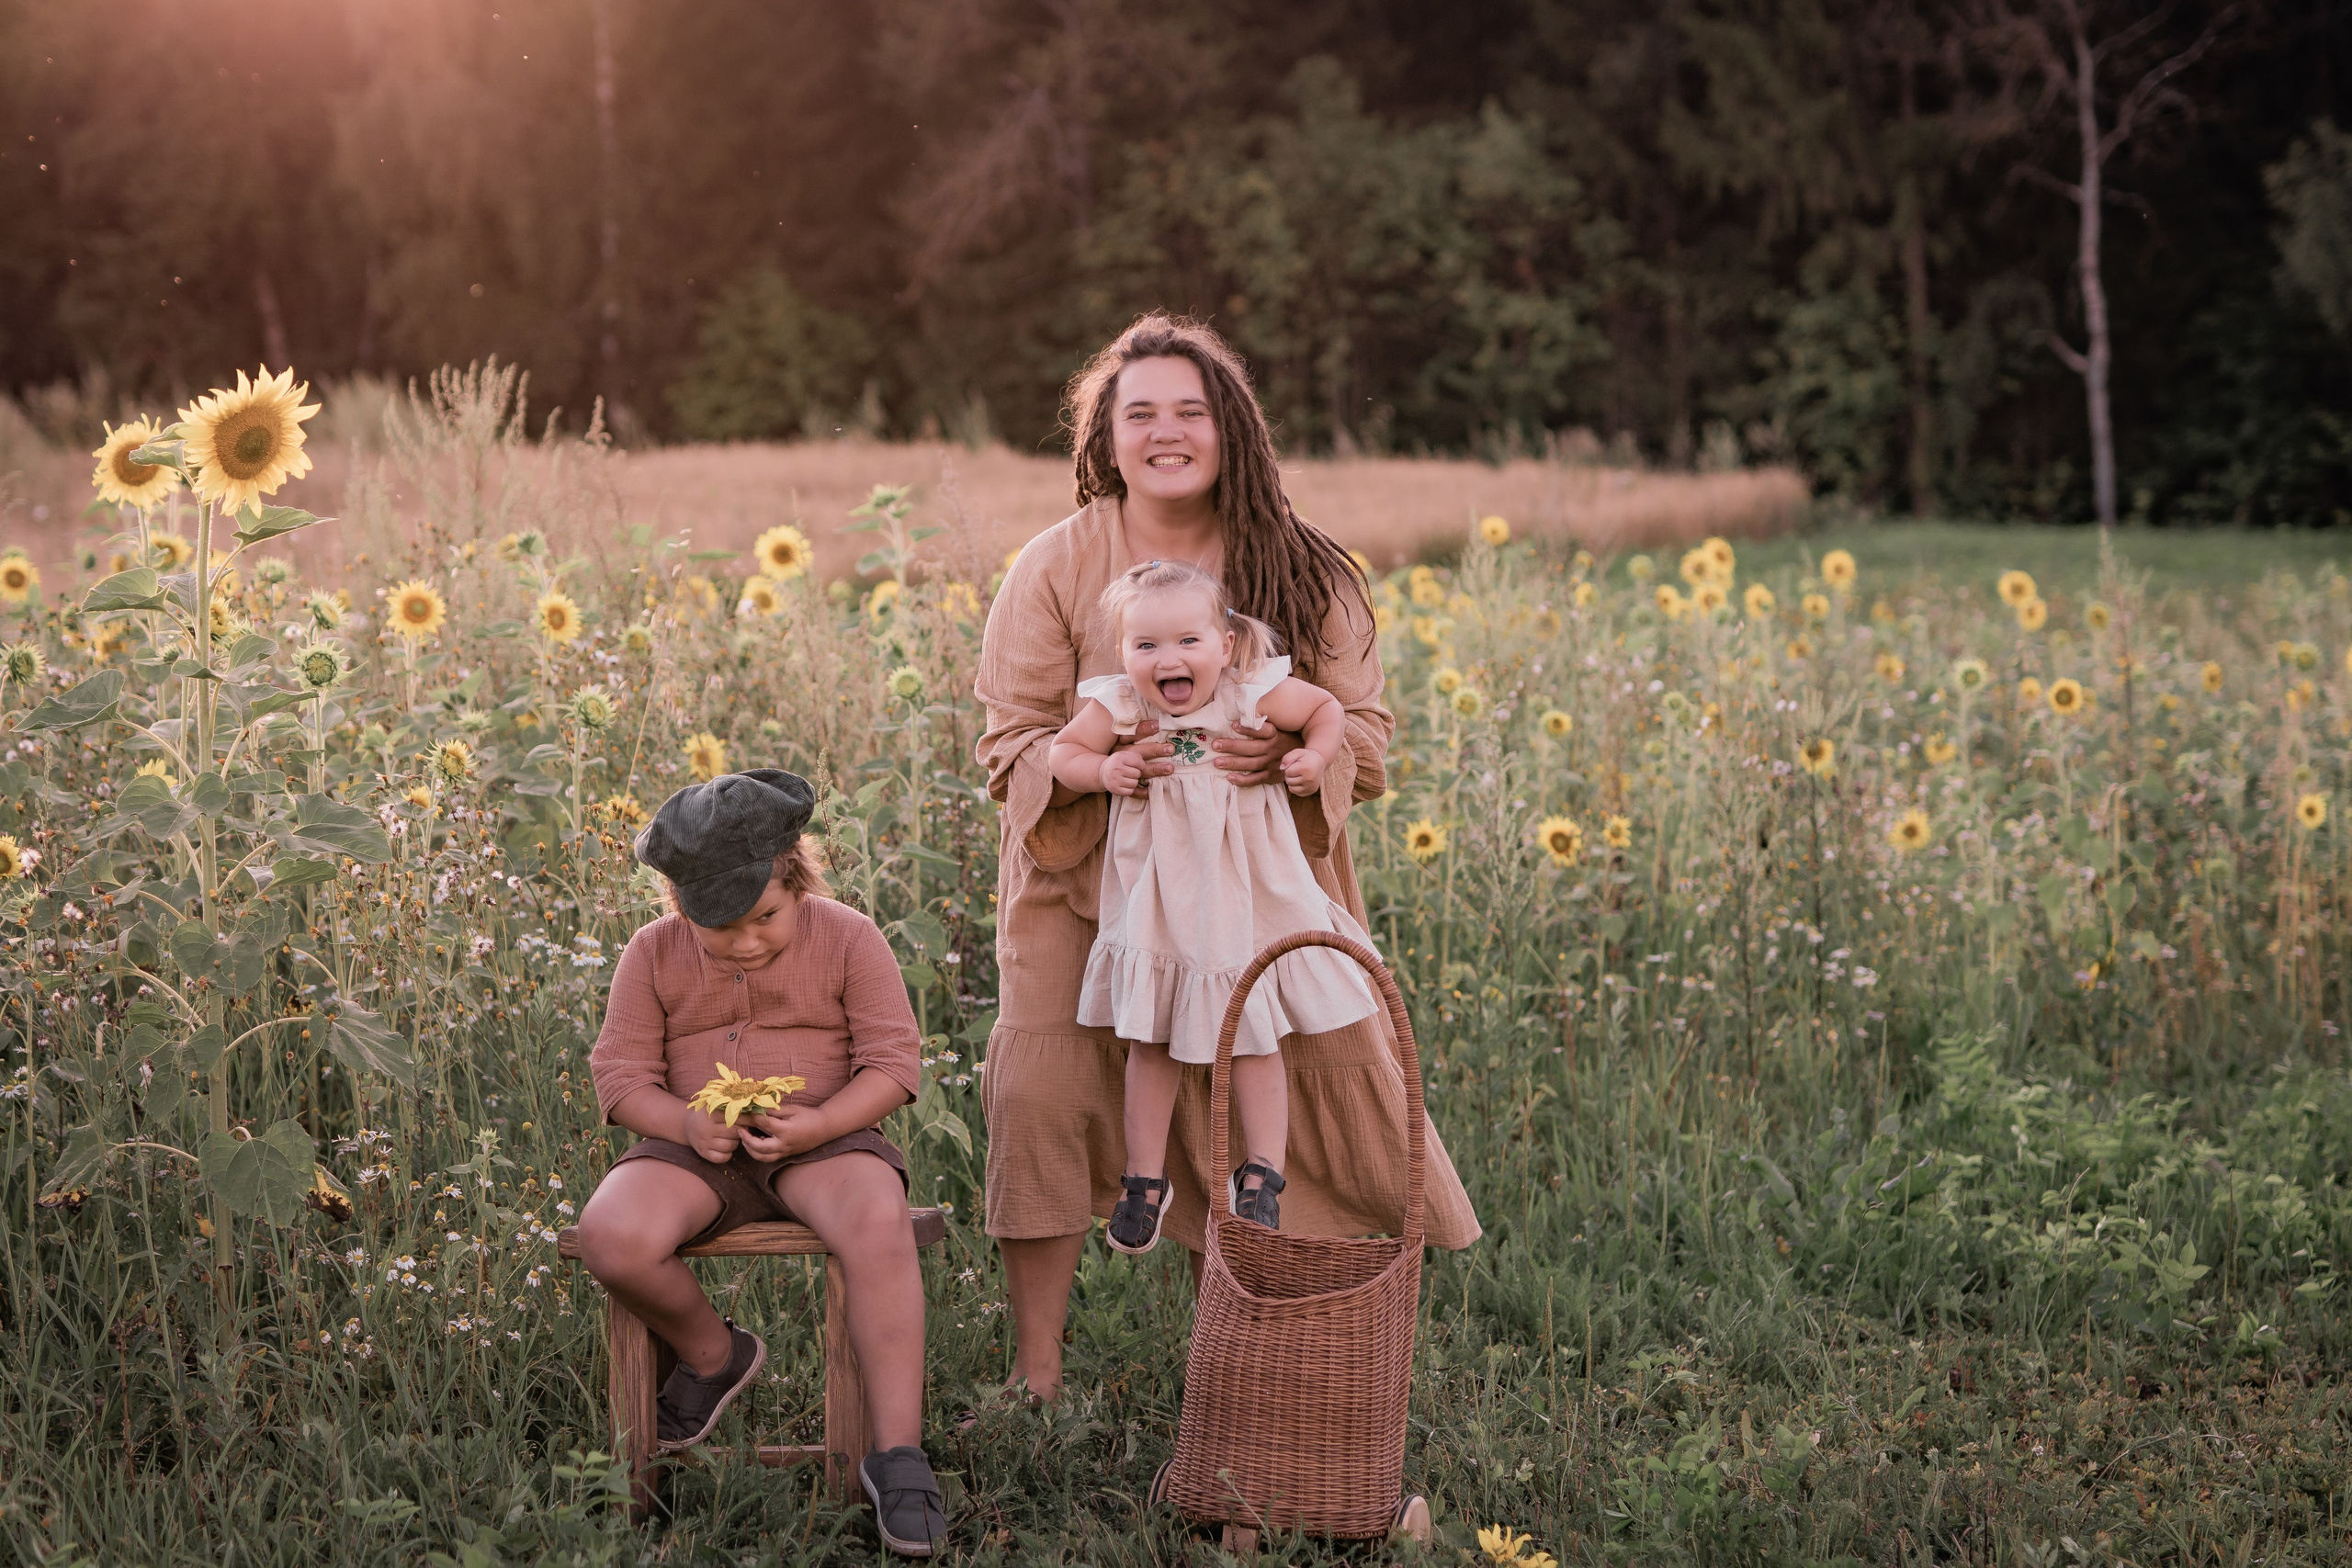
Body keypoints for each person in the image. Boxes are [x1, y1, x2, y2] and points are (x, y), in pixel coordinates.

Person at [975, 312, 1482, 1402]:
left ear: (1231, 429)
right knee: (1041, 1095)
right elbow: (1008, 740)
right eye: (1138, 413)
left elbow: (1364, 733)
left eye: (1189, 411)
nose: (1165, 432)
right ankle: (1037, 1381)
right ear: (1105, 437)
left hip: (1256, 888)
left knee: (1272, 1104)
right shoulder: (1055, 564)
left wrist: (1293, 757)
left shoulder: (1299, 564)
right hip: (1087, 888)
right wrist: (1098, 765)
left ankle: (1251, 1378)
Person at [575, 768, 947, 1558]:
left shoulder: (848, 936)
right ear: (680, 906)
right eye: (721, 927)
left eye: (766, 917)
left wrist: (821, 1124)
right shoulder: (652, 952)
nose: (747, 941)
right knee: (611, 1233)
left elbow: (892, 1064)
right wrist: (682, 1121)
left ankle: (898, 1454)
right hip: (693, 1148)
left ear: (797, 875)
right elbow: (621, 1077)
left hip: (824, 1140)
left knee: (875, 1217)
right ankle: (715, 1354)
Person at [1049, 560, 1384, 1249]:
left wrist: (1315, 757)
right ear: (1124, 655)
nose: (1167, 659)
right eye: (1146, 645)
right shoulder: (1123, 704)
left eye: (1187, 641)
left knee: (1256, 1034)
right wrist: (1102, 769)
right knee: (1151, 1039)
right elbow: (1064, 752)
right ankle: (1145, 1179)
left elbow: (1326, 710)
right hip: (1163, 900)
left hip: (1248, 893)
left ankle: (1262, 1175)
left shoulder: (1248, 691)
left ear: (1225, 646)